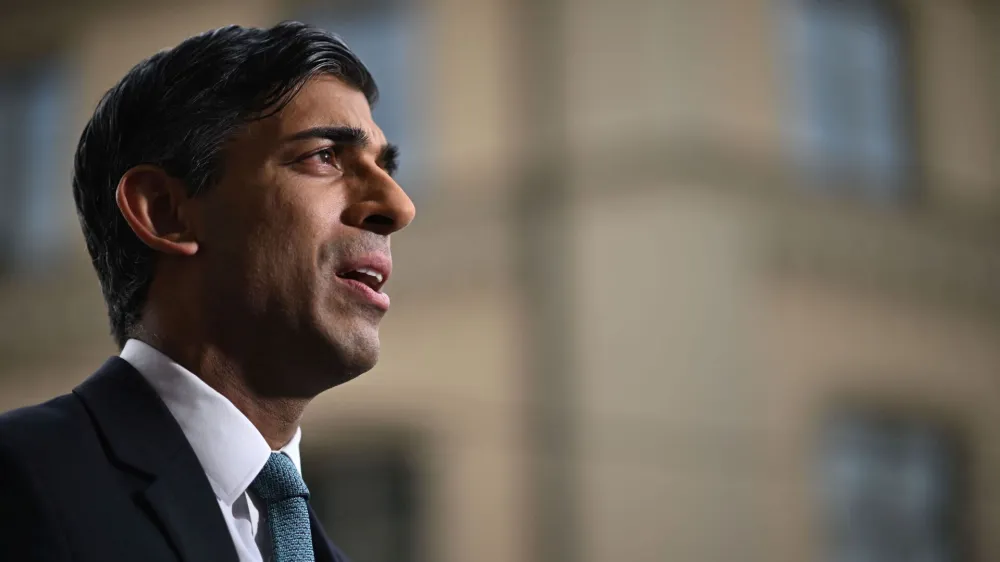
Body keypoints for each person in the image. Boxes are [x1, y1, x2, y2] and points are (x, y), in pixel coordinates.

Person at [0, 21, 415, 562]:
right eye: (324, 156)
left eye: (385, 167)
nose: (398, 207)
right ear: (166, 212)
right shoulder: (21, 478)